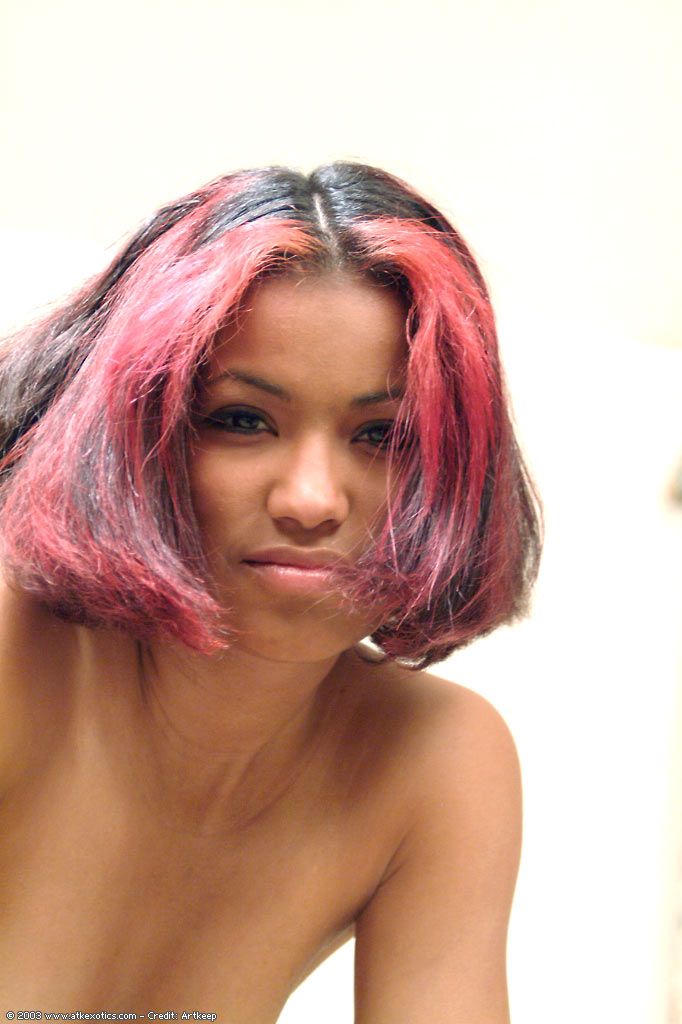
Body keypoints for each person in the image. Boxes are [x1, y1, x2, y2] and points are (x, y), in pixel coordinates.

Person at [0, 162, 542, 1023]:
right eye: (243, 420)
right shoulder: (14, 644)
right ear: (136, 429)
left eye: (383, 436)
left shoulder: (435, 763)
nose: (312, 500)